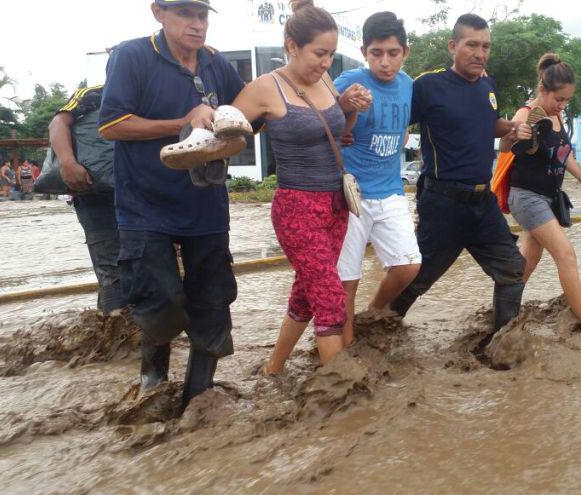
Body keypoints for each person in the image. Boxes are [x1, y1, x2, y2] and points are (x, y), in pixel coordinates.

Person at [188, 0, 371, 372]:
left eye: (331, 54)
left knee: (308, 294)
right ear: (291, 45)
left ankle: (272, 369)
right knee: (332, 297)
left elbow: (336, 132)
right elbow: (228, 132)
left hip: (337, 205)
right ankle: (341, 393)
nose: (325, 63)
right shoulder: (263, 89)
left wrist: (349, 106)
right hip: (297, 208)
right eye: (319, 53)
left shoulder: (323, 80)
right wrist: (202, 118)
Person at [99, 0, 248, 405]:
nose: (197, 25)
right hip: (145, 204)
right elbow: (112, 125)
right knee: (158, 297)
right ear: (158, 13)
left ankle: (198, 399)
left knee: (212, 299)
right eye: (185, 14)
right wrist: (185, 122)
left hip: (205, 204)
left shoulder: (217, 64)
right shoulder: (133, 56)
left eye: (202, 16)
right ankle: (152, 387)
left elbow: (249, 111)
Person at [388, 14, 532, 332]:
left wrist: (511, 127)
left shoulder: (488, 85)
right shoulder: (428, 85)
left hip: (483, 201)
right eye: (472, 45)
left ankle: (501, 346)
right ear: (453, 46)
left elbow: (488, 124)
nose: (480, 53)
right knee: (416, 278)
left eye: (486, 46)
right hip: (443, 203)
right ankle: (379, 333)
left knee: (512, 269)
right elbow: (395, 121)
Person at [334, 12, 421, 347]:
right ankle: (346, 351)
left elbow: (403, 131)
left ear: (405, 52)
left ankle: (371, 314)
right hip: (352, 194)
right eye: (376, 53)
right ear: (364, 51)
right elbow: (325, 120)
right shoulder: (348, 82)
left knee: (408, 265)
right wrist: (344, 108)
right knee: (347, 280)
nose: (384, 62)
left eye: (392, 53)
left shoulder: (409, 85)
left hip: (391, 191)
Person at [499, 53, 581, 324]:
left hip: (548, 198)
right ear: (542, 90)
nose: (562, 105)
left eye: (567, 100)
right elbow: (504, 148)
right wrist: (516, 134)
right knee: (565, 253)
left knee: (528, 260)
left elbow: (565, 154)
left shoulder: (557, 117)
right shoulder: (525, 114)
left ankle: (504, 313)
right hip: (526, 197)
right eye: (558, 99)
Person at [49, 85, 126, 315]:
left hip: (145, 194)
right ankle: (115, 335)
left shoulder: (155, 93)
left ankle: (147, 338)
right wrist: (68, 163)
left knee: (154, 266)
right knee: (110, 269)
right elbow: (58, 123)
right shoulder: (95, 92)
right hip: (96, 196)